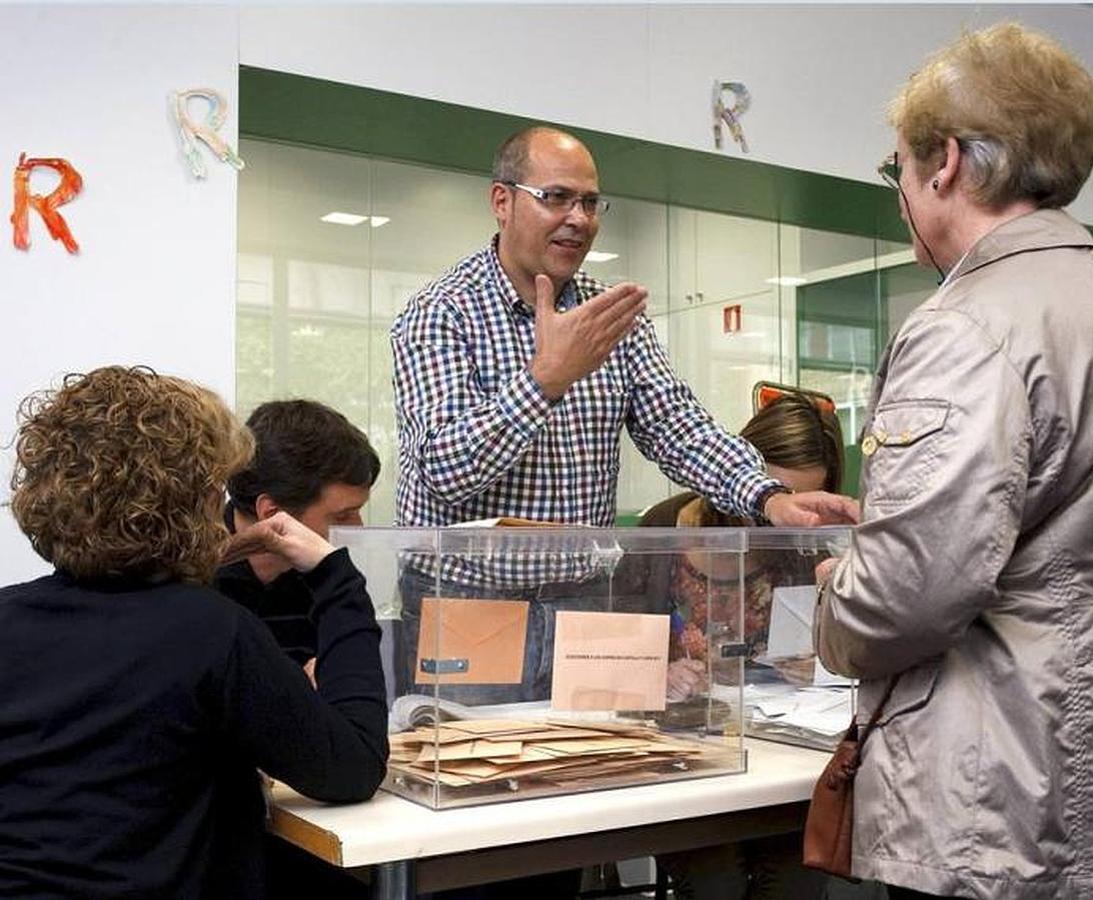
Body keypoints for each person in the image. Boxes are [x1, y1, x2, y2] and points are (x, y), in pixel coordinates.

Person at [809, 23, 1093, 900]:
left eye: (898, 172)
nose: (904, 193)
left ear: (944, 162)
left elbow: (907, 593)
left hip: (1001, 820)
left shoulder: (966, 325)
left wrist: (831, 597)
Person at [0, 366, 387, 900]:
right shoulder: (208, 630)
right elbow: (353, 768)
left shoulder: (9, 616)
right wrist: (335, 575)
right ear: (187, 502)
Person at [389, 125, 853, 535]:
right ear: (502, 201)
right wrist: (544, 381)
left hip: (580, 599)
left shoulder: (610, 315)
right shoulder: (441, 311)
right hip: (465, 601)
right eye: (555, 197)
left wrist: (768, 497)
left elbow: (677, 427)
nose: (578, 218)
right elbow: (443, 471)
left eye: (590, 202)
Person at [646, 391, 845, 900]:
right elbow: (610, 647)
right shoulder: (664, 529)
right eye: (780, 498)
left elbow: (849, 653)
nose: (783, 520)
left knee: (796, 880)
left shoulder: (806, 545)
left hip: (778, 755)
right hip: (683, 755)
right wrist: (657, 673)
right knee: (717, 883)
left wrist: (821, 663)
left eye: (806, 504)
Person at [218, 398, 381, 670]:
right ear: (272, 514)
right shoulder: (190, 579)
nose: (357, 527)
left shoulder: (328, 576)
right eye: (342, 516)